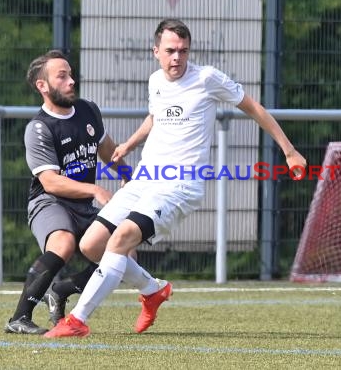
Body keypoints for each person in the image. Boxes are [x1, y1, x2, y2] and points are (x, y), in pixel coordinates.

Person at [44, 18, 307, 338]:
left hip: (180, 185)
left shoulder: (208, 78)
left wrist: (290, 150)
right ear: (156, 51)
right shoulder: (155, 80)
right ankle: (153, 290)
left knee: (122, 238)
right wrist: (130, 143)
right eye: (170, 51)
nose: (177, 58)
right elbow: (156, 116)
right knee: (91, 244)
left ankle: (77, 321)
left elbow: (254, 108)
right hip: (145, 178)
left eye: (183, 51)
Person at [4, 50, 128, 334]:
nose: (71, 81)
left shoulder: (88, 110)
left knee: (124, 254)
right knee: (63, 242)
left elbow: (107, 150)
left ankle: (61, 290)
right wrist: (95, 188)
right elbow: (50, 182)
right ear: (42, 86)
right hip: (49, 202)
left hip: (83, 204)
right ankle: (19, 317)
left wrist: (130, 179)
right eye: (62, 76)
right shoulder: (38, 128)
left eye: (71, 74)